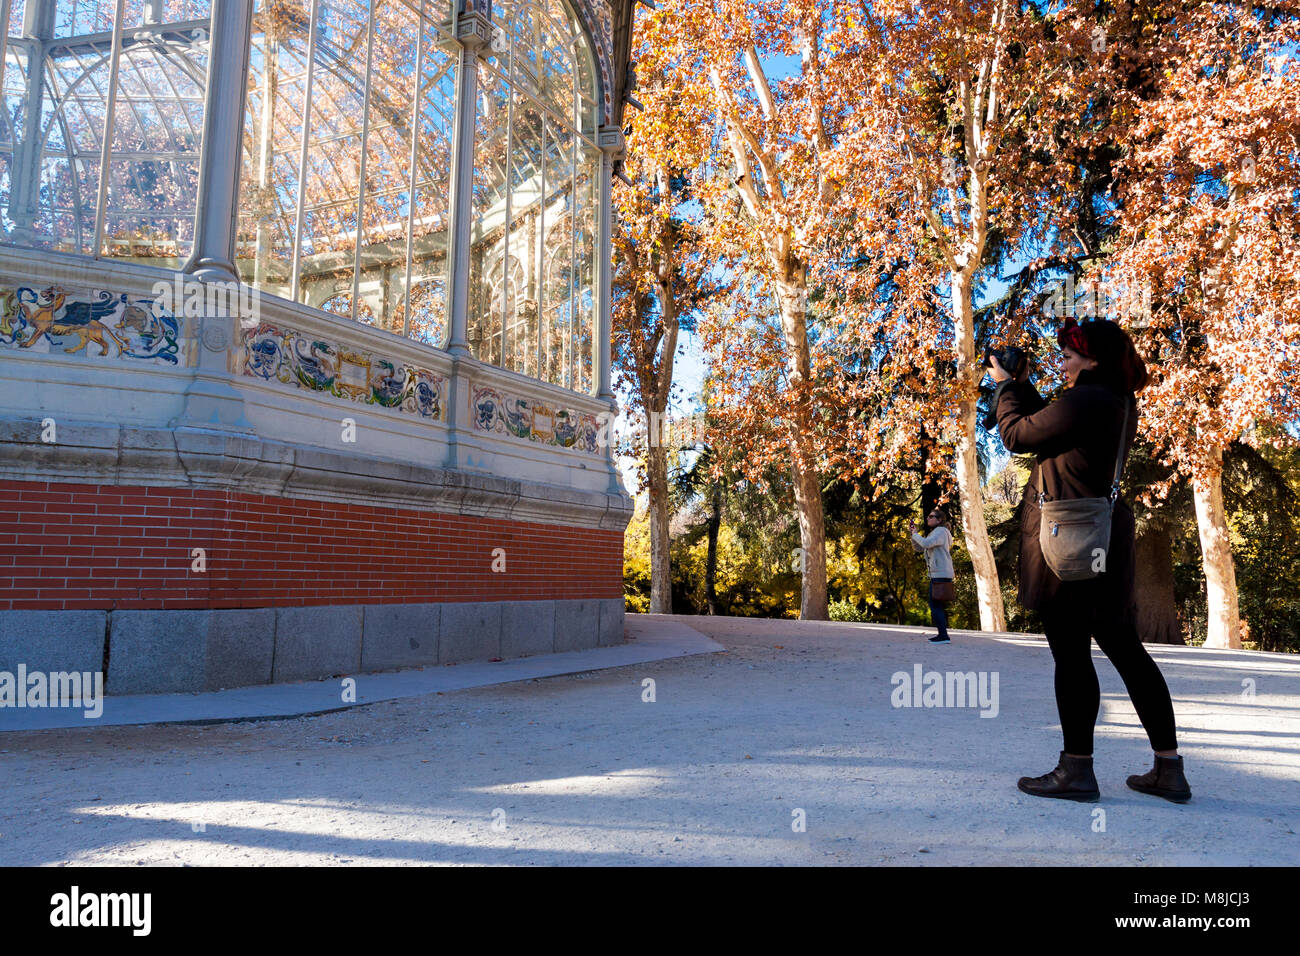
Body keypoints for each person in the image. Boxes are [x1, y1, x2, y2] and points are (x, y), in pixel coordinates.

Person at [989, 317, 1190, 803]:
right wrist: (1022, 386)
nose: (1063, 361)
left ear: (1093, 359)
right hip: (1104, 537)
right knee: (1127, 651)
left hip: (1069, 542)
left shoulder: (1086, 399)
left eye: (1070, 354)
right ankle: (1169, 769)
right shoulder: (1115, 399)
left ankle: (1076, 771)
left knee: (1073, 654)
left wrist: (1003, 388)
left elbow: (1017, 436)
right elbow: (1052, 428)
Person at [910, 507, 955, 644]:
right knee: (936, 605)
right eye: (928, 516)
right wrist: (913, 534)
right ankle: (943, 635)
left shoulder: (941, 531)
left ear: (939, 520)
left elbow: (926, 543)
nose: (927, 518)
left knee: (935, 605)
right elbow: (920, 547)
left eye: (931, 516)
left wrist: (917, 535)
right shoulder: (936, 532)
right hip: (938, 573)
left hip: (940, 573)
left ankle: (943, 636)